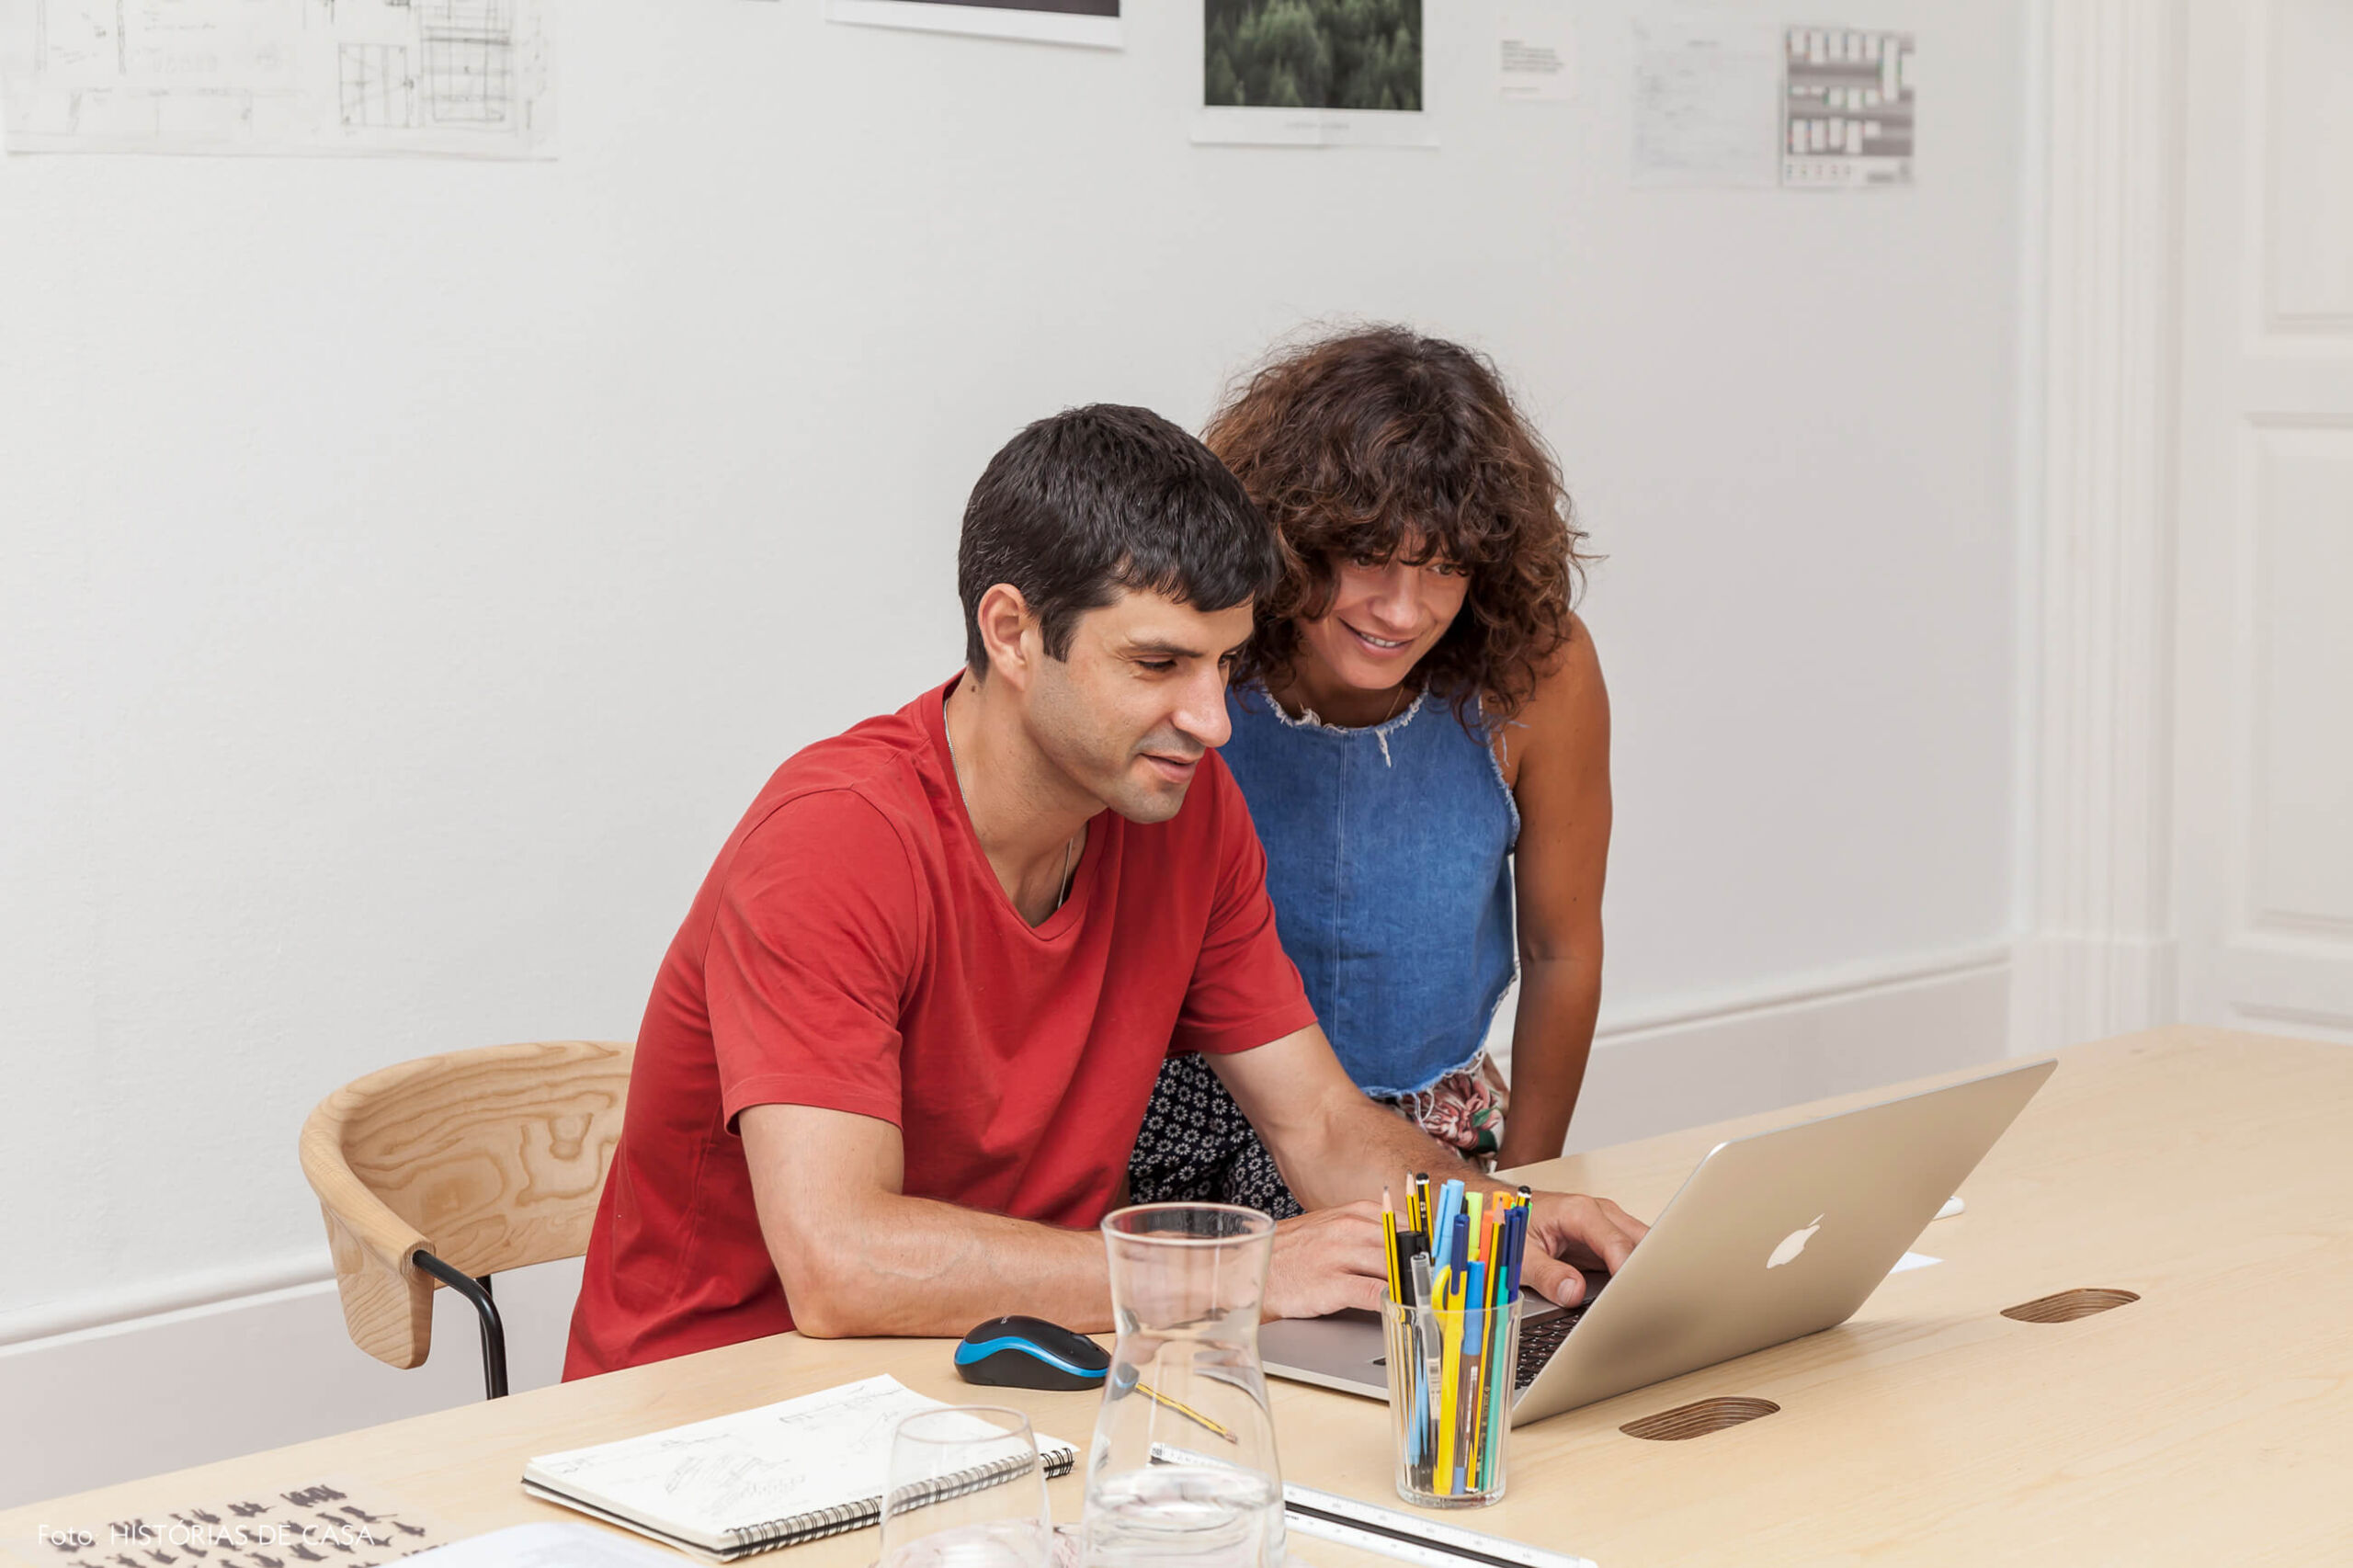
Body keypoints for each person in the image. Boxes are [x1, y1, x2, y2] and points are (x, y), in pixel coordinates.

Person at [564, 403, 1643, 1379]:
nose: (1214, 719)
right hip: (711, 1418)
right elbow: (840, 1261)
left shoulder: (1184, 812)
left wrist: (1502, 1223)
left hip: (985, 1379)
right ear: (1013, 632)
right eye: (1159, 665)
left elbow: (1319, 1123)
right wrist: (1236, 1271)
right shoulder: (835, 841)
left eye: (1224, 665)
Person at [1130, 328, 1608, 1219]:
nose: (1401, 608)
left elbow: (1561, 946)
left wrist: (1521, 1194)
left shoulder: (1540, 672)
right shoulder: (1195, 664)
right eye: (1367, 557)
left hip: (1440, 1136)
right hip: (1194, 1131)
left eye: (1444, 567)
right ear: (1288, 534)